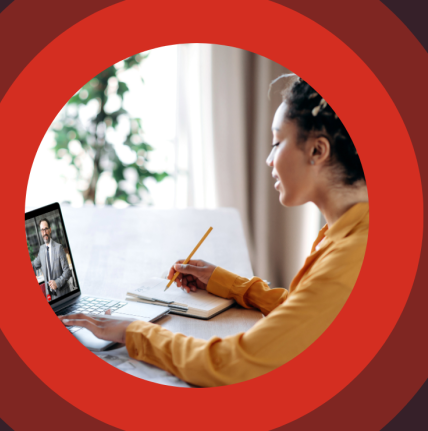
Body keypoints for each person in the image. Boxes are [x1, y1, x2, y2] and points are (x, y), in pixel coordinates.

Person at [60, 75, 368, 387]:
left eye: (276, 142)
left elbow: (225, 364)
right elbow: (307, 316)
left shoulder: (350, 257)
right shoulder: (352, 229)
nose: (269, 159)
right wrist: (228, 283)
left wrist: (132, 331)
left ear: (317, 151)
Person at [32, 219, 75, 299]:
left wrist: (57, 282)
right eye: (42, 230)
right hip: (50, 297)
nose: (44, 232)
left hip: (62, 295)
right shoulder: (41, 250)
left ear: (50, 230)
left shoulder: (59, 248)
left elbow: (67, 271)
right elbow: (34, 264)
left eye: (46, 229)